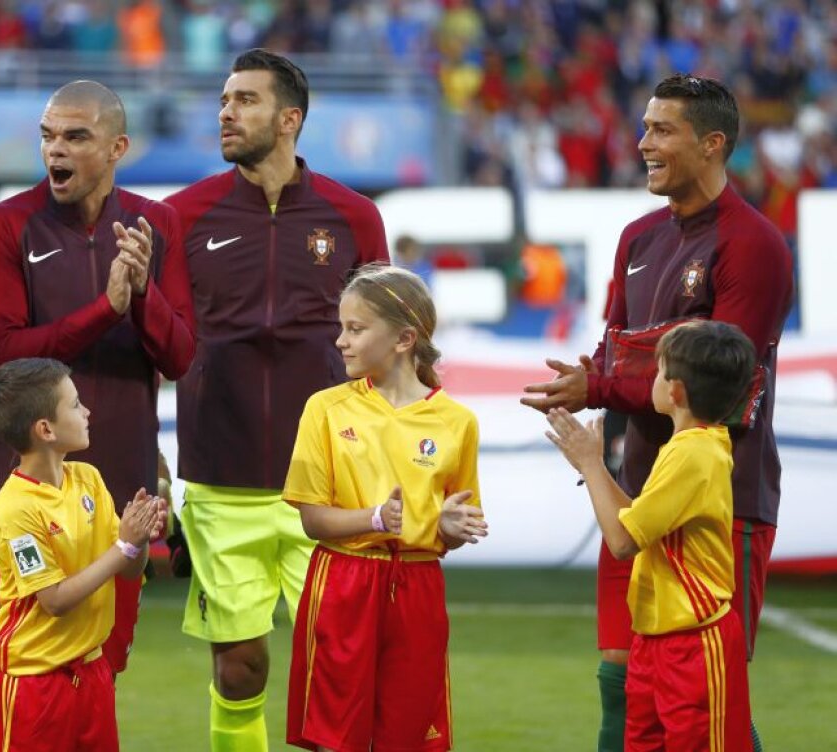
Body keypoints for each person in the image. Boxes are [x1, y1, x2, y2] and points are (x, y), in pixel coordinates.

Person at [520, 74, 793, 752]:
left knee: (706, 691)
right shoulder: (638, 238)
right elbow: (612, 353)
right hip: (636, 490)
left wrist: (606, 386)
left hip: (720, 499)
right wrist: (588, 378)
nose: (643, 143)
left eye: (661, 130)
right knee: (626, 679)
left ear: (713, 143)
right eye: (644, 128)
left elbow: (723, 388)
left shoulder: (753, 244)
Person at [164, 48, 389, 750]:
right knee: (239, 669)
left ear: (289, 119)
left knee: (342, 668)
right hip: (219, 480)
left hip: (326, 485)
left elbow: (390, 342)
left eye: (246, 101)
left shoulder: (353, 217)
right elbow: (161, 343)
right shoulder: (181, 216)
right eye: (225, 99)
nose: (227, 112)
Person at [0, 79, 194, 672]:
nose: (55, 151)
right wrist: (107, 310)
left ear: (118, 147)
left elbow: (179, 357)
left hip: (122, 489)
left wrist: (142, 294)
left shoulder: (159, 225)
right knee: (30, 658)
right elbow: (2, 356)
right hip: (23, 493)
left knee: (103, 669)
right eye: (48, 136)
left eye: (76, 136)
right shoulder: (4, 226)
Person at [283, 265, 487, 752]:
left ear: (404, 338)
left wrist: (451, 527)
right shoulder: (325, 409)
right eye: (342, 328)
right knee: (336, 740)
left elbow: (456, 525)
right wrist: (374, 519)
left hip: (418, 587)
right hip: (344, 582)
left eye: (355, 329)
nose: (340, 341)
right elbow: (313, 519)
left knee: (412, 739)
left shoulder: (457, 422)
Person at [545, 320, 757, 752]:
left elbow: (623, 541)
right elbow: (636, 519)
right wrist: (594, 469)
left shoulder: (694, 453)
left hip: (694, 645)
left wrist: (591, 465)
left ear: (676, 392)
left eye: (658, 372)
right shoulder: (687, 447)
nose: (652, 381)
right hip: (654, 641)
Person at [0, 357, 167, 751]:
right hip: (35, 682)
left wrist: (139, 534)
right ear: (45, 429)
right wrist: (124, 546)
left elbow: (131, 570)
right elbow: (55, 600)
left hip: (92, 670)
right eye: (75, 404)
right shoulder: (16, 508)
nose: (87, 411)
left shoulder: (88, 479)